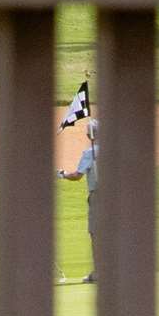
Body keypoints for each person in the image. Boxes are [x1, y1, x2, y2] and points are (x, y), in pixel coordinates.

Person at [57, 78, 98, 285]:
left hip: (97, 196)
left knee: (96, 234)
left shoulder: (89, 153)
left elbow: (78, 176)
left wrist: (62, 174)